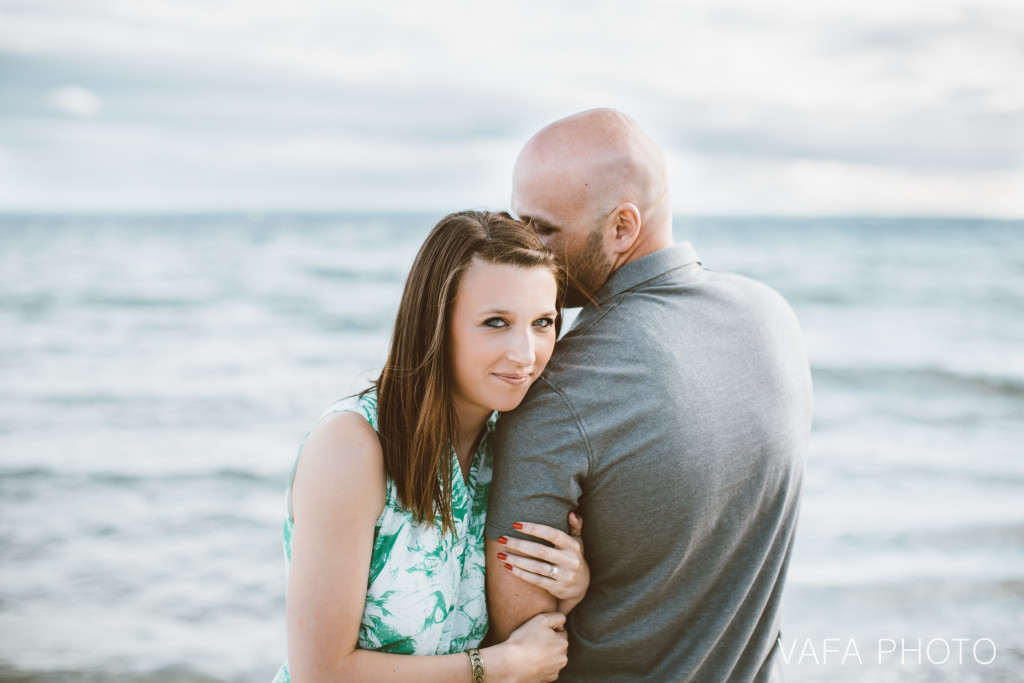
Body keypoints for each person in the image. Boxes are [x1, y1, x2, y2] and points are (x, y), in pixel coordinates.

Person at [484, 109, 813, 682]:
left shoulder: (557, 389)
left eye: (541, 229)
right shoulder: (773, 318)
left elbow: (523, 657)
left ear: (621, 228)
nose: (521, 249)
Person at [273, 211, 590, 683]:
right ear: (436, 324)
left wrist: (573, 585)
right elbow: (321, 673)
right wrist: (495, 668)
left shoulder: (512, 447)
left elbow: (526, 633)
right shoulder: (352, 447)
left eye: (542, 322)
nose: (525, 354)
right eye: (496, 322)